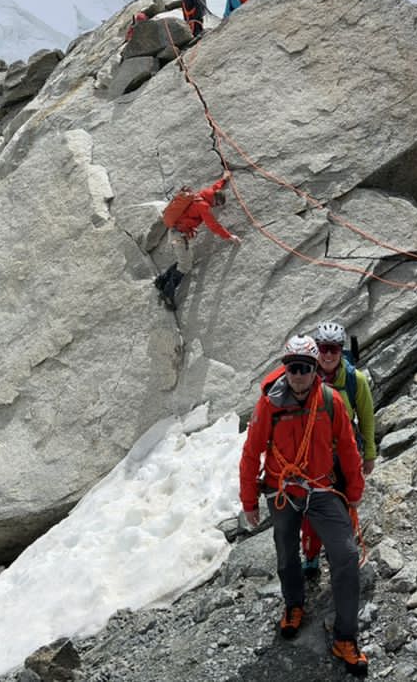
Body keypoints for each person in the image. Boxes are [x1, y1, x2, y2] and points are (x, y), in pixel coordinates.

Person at [240, 336, 369, 676]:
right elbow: (252, 453)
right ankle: (294, 604)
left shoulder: (331, 401)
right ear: (285, 369)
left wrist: (354, 489)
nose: (298, 375)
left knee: (346, 555)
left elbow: (347, 447)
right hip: (283, 491)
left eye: (305, 368)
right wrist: (249, 501)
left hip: (322, 489)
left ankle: (346, 637)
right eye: (293, 368)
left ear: (315, 370)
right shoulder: (269, 405)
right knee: (286, 554)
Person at [297, 321, 376, 584]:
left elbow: (366, 417)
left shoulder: (356, 380)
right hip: (312, 455)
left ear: (341, 350)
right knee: (312, 509)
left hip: (345, 454)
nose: (328, 354)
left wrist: (369, 455)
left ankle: (341, 551)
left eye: (333, 349)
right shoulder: (304, 378)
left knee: (345, 504)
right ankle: (311, 555)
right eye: (323, 348)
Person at [153, 174, 239, 310]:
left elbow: (215, 188)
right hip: (179, 236)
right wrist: (229, 236)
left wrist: (224, 179)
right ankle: (167, 293)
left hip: (176, 233)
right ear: (215, 200)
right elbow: (213, 225)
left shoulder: (202, 195)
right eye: (217, 204)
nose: (215, 207)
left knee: (185, 260)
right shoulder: (204, 206)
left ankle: (161, 280)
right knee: (185, 265)